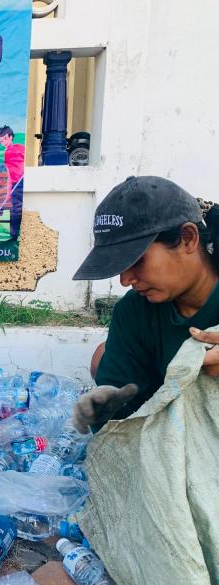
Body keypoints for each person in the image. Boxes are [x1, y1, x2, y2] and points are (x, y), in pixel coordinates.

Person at [70, 175, 219, 433]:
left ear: (188, 238)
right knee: (102, 357)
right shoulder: (133, 311)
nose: (125, 280)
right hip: (172, 430)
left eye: (136, 260)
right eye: (119, 266)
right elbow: (112, 416)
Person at [0, 125, 25, 240]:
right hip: (15, 185)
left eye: (5, 139)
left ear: (11, 137)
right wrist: (8, 192)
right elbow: (9, 173)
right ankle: (13, 236)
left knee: (20, 209)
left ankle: (20, 235)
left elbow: (26, 163)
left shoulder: (21, 148)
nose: (4, 142)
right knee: (14, 210)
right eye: (1, 141)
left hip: (23, 182)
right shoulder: (6, 153)